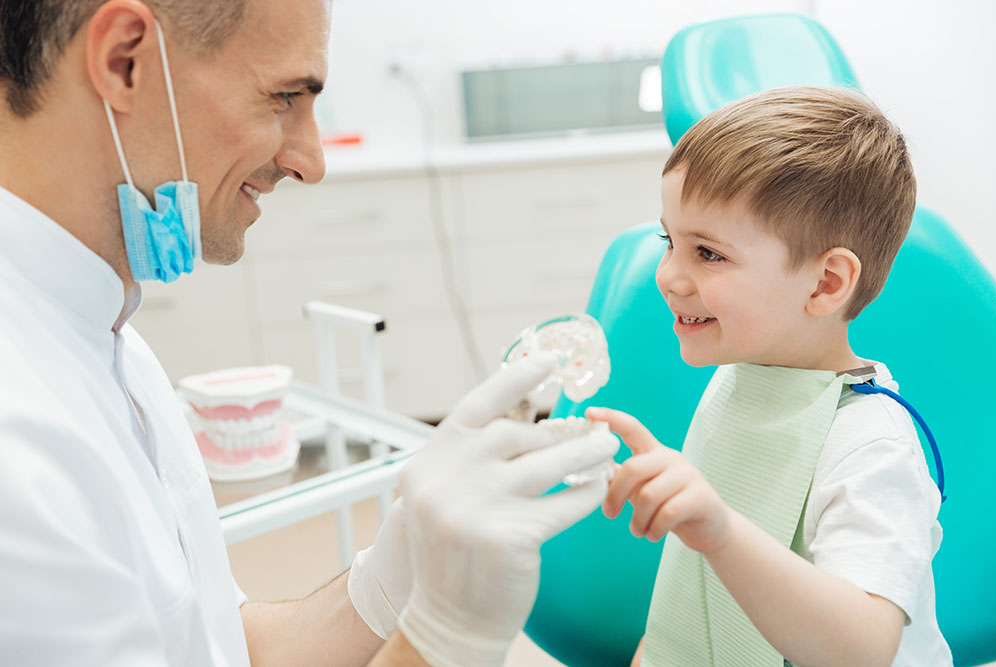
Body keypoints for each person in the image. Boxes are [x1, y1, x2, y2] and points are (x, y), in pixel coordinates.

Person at [0, 1, 618, 666]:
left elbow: (224, 644)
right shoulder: (20, 457)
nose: (310, 160)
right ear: (126, 61)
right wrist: (445, 637)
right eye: (285, 97)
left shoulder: (108, 332)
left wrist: (393, 576)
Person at [587, 87, 952, 666]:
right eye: (669, 241)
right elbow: (692, 599)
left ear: (826, 283)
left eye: (707, 253)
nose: (668, 276)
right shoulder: (743, 380)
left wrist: (719, 531)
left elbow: (861, 649)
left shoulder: (871, 448)